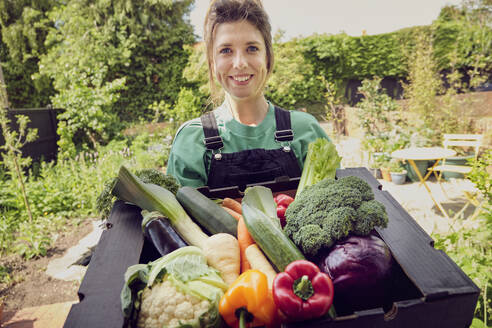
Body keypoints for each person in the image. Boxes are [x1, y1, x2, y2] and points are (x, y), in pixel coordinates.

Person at [166, 0, 331, 189]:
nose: (239, 63)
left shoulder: (306, 131)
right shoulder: (192, 140)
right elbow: (181, 215)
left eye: (252, 48)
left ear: (267, 57)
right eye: (226, 50)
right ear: (213, 62)